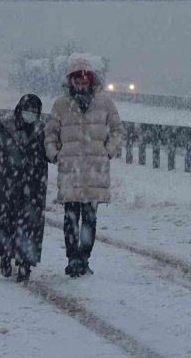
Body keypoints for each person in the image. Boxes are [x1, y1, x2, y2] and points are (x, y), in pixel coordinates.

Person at [44, 58, 124, 278]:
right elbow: (50, 133)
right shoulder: (61, 105)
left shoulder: (105, 103)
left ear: (90, 78)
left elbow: (118, 130)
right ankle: (73, 259)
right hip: (70, 170)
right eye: (77, 77)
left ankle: (84, 258)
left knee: (89, 219)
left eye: (85, 76)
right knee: (70, 218)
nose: (81, 81)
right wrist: (55, 154)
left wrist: (108, 151)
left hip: (94, 172)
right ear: (71, 79)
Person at [0, 94, 49, 282]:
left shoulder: (43, 130)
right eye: (27, 110)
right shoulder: (2, 127)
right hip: (5, 184)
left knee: (30, 226)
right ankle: (5, 256)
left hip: (33, 186)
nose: (30, 115)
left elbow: (52, 154)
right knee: (4, 223)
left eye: (34, 112)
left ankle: (25, 263)